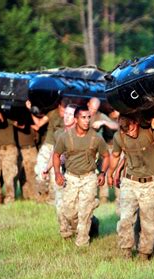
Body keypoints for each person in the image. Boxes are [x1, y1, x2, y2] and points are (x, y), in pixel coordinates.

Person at [107, 115, 154, 260]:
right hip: (130, 182)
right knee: (125, 219)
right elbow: (115, 156)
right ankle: (126, 252)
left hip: (151, 183)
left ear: (136, 122)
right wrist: (110, 173)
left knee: (149, 222)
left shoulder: (148, 131)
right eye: (127, 132)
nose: (131, 133)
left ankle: (144, 254)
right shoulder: (119, 137)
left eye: (133, 129)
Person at [53, 104, 110, 247]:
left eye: (88, 117)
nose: (86, 120)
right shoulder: (65, 137)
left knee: (84, 213)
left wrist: (102, 173)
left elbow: (106, 156)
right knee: (69, 212)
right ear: (76, 119)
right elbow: (56, 155)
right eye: (83, 117)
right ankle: (93, 217)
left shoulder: (96, 138)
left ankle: (82, 243)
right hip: (71, 177)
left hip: (89, 178)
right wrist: (57, 173)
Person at [27, 100, 65, 204]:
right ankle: (41, 197)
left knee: (56, 174)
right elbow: (39, 124)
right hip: (48, 146)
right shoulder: (52, 113)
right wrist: (30, 110)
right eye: (62, 109)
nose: (64, 112)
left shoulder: (70, 117)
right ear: (59, 106)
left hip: (60, 148)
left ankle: (52, 200)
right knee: (40, 170)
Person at [88, 97, 119, 204]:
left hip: (99, 149)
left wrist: (103, 122)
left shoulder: (100, 116)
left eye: (95, 109)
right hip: (85, 149)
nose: (93, 111)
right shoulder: (81, 114)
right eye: (92, 108)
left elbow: (116, 126)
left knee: (103, 170)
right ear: (88, 104)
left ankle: (104, 197)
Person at [0, 111, 18, 204]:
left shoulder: (9, 117)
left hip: (9, 149)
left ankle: (9, 198)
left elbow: (19, 124)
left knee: (8, 176)